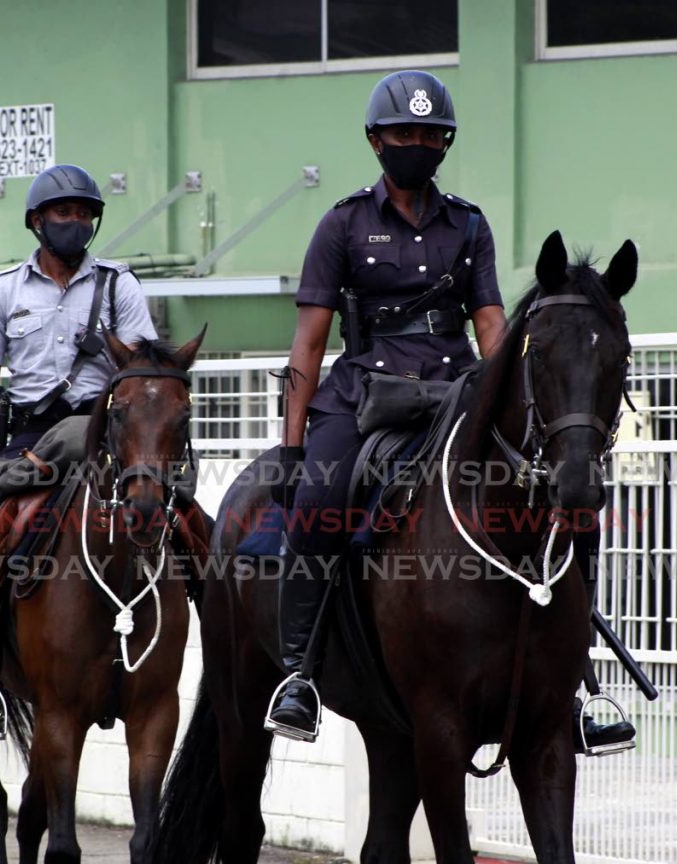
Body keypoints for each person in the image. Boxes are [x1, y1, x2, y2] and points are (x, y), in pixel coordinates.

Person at [266, 70, 635, 755]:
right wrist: (292, 447)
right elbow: (309, 344)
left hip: (452, 388)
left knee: (569, 503)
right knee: (318, 500)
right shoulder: (341, 223)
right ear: (377, 141)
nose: (418, 145)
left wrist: (513, 398)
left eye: (431, 135)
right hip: (363, 393)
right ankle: (298, 676)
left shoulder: (468, 223)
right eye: (404, 134)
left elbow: (491, 326)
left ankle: (581, 684)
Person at [0, 163, 158, 737]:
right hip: (26, 439)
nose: (75, 222)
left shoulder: (119, 285)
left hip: (105, 435)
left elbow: (143, 373)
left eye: (84, 214)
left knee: (193, 527)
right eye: (63, 213)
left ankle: (220, 652)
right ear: (37, 221)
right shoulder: (2, 292)